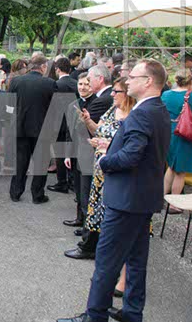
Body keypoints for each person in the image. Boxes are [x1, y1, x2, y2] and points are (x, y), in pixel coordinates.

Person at [58, 59, 171, 322]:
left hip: (126, 199)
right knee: (136, 261)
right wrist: (111, 145)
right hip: (142, 198)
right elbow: (142, 150)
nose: (127, 80)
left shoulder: (142, 113)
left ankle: (94, 315)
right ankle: (132, 313)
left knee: (106, 261)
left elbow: (131, 157)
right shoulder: (158, 109)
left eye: (133, 77)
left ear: (148, 81)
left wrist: (105, 159)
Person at [65, 77, 136, 262]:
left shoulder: (133, 116)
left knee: (107, 211)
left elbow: (130, 147)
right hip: (100, 166)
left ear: (127, 94)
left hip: (114, 168)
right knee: (94, 207)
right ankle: (91, 246)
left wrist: (107, 146)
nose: (112, 94)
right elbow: (98, 131)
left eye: (116, 91)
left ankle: (101, 250)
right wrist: (88, 121)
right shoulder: (113, 110)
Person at [8, 54, 56, 204]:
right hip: (42, 128)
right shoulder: (50, 83)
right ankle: (37, 194)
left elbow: (8, 105)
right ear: (43, 67)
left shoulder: (16, 81)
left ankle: (15, 192)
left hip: (20, 127)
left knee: (20, 162)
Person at [62, 73, 96, 232]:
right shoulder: (72, 104)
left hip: (89, 151)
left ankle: (87, 225)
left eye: (86, 84)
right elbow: (69, 131)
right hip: (75, 150)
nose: (83, 87)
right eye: (80, 84)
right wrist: (67, 153)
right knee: (78, 187)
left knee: (86, 190)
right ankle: (79, 218)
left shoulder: (96, 103)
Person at [161, 68, 192, 210]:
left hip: (169, 132)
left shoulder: (166, 94)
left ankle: (160, 199)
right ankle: (174, 204)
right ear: (191, 80)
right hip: (185, 133)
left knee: (171, 167)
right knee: (181, 171)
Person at [48, 57, 78, 194]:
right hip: (74, 121)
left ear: (57, 69)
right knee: (72, 152)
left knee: (59, 153)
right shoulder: (76, 83)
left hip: (59, 122)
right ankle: (72, 181)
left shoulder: (56, 85)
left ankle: (62, 182)